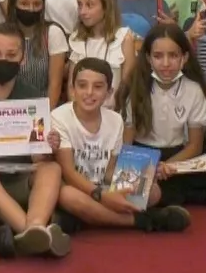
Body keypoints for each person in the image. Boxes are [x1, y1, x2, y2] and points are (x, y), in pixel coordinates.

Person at [0, 23, 70, 257]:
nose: (3, 60)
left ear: (23, 58)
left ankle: (35, 225)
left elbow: (37, 157)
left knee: (52, 168)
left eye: (11, 55)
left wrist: (47, 146)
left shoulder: (33, 95)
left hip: (23, 178)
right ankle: (33, 231)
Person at [51, 59, 193, 232]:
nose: (89, 92)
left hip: (102, 187)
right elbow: (69, 173)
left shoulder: (115, 120)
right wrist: (102, 196)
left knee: (153, 191)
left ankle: (87, 217)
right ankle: (138, 220)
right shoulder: (59, 117)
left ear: (109, 92)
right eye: (82, 86)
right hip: (77, 188)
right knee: (67, 196)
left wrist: (146, 173)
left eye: (98, 87)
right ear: (72, 89)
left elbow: (109, 171)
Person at [115, 23, 206, 207]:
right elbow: (127, 142)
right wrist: (143, 168)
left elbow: (195, 146)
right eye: (158, 56)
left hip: (179, 157)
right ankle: (201, 196)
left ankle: (164, 194)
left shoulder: (194, 90)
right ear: (148, 58)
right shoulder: (136, 87)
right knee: (131, 190)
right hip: (142, 155)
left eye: (173, 56)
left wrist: (167, 167)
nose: (166, 63)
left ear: (184, 58)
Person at [7, 0, 69, 104]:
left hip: (43, 105)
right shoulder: (4, 34)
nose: (31, 9)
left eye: (36, 4)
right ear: (14, 5)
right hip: (10, 108)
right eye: (24, 3)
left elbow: (55, 84)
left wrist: (47, 112)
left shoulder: (53, 33)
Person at [68, 0, 137, 91]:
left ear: (106, 7)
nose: (82, 12)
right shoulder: (77, 39)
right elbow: (72, 88)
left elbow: (127, 86)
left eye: (89, 5)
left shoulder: (124, 39)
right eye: (80, 5)